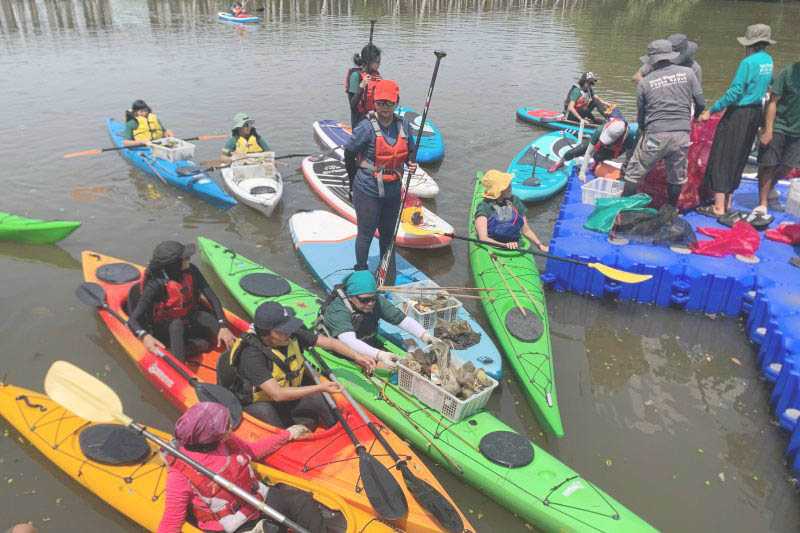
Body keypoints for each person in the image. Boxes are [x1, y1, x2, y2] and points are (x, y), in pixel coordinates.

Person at [157, 401, 342, 533]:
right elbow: (171, 523)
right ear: (210, 435)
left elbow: (252, 452)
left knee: (300, 501)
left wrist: (287, 435)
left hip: (258, 499)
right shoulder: (180, 474)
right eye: (227, 425)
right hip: (231, 524)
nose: (231, 427)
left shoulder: (226, 440)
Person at [220, 302, 375, 430]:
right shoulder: (251, 355)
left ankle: (330, 428)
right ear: (266, 333)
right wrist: (320, 387)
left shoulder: (289, 335)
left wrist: (357, 356)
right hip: (261, 403)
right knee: (270, 415)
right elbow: (277, 394)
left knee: (320, 401)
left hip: (289, 395)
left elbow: (331, 343)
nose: (289, 333)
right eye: (282, 330)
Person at [343, 79, 418, 284]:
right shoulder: (365, 128)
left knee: (388, 234)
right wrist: (352, 185)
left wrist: (412, 162)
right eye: (380, 103)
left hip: (393, 189)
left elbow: (410, 150)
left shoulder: (403, 125)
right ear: (375, 103)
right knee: (366, 233)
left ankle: (387, 272)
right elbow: (349, 154)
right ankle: (361, 272)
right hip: (367, 189)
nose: (385, 108)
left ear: (397, 103)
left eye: (389, 103)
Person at [697, 24, 774, 219]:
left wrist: (712, 109)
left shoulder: (748, 62)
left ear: (750, 44)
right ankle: (729, 202)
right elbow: (768, 87)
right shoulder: (768, 60)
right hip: (755, 113)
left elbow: (735, 92)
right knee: (739, 155)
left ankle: (718, 207)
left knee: (723, 155)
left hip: (739, 113)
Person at [621, 39, 705, 206]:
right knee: (676, 176)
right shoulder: (688, 73)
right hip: (681, 135)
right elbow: (701, 103)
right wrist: (693, 120)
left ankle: (623, 210)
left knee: (633, 173)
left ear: (652, 60)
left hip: (655, 135)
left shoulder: (645, 83)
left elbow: (641, 114)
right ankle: (671, 211)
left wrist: (644, 131)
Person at [127, 241, 236, 362]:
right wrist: (144, 336)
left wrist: (223, 325)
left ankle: (237, 352)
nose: (189, 259)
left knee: (206, 318)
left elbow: (212, 298)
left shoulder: (192, 271)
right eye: (186, 257)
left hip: (188, 318)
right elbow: (132, 320)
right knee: (177, 325)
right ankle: (179, 363)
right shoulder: (155, 284)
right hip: (166, 328)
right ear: (174, 264)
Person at [320, 270, 441, 367]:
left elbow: (401, 320)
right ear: (351, 297)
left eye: (373, 298)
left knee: (410, 354)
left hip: (365, 338)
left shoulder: (376, 301)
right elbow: (348, 341)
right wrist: (379, 355)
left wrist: (425, 336)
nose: (370, 303)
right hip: (342, 347)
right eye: (364, 300)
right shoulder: (338, 311)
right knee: (387, 368)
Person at [752, 61, 799, 224]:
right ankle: (762, 203)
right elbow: (773, 101)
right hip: (780, 125)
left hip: (798, 130)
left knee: (788, 165)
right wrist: (768, 130)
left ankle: (770, 189)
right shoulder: (787, 72)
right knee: (769, 163)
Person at [548, 103, 637, 180]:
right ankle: (559, 163)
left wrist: (627, 173)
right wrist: (582, 172)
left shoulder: (632, 135)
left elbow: (631, 156)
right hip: (603, 138)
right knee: (578, 150)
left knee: (602, 155)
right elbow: (588, 152)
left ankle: (596, 163)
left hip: (619, 146)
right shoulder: (600, 131)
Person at [475, 170, 549, 251]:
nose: (510, 186)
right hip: (492, 245)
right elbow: (483, 238)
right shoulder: (484, 206)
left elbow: (526, 230)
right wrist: (505, 245)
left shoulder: (515, 201)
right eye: (507, 185)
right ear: (499, 190)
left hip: (515, 243)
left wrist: (540, 245)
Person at [634, 34, 703, 87]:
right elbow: (636, 77)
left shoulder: (694, 67)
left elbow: (696, 91)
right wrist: (652, 87)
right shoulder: (657, 60)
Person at [345, 44, 382, 129]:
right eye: (377, 61)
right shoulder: (356, 76)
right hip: (360, 122)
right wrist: (362, 86)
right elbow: (353, 105)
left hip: (374, 120)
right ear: (368, 61)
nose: (379, 63)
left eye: (379, 60)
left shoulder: (376, 75)